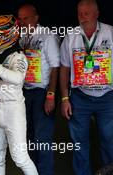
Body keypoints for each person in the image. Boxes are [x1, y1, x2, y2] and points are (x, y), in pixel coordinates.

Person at [0, 14, 38, 175]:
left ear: (6, 36)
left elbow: (18, 78)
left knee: (20, 158)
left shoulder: (18, 57)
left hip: (13, 112)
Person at [60, 0, 113, 174]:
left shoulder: (110, 32)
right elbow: (64, 69)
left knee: (109, 139)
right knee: (79, 143)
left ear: (97, 14)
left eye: (87, 13)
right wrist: (65, 98)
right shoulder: (70, 36)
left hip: (107, 97)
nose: (82, 18)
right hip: (80, 97)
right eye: (79, 13)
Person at [17, 4, 60, 175]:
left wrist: (51, 95)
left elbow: (55, 67)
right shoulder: (20, 36)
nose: (22, 22)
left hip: (42, 92)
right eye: (19, 18)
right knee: (28, 138)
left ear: (36, 18)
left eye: (25, 18)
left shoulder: (47, 36)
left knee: (42, 139)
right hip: (24, 93)